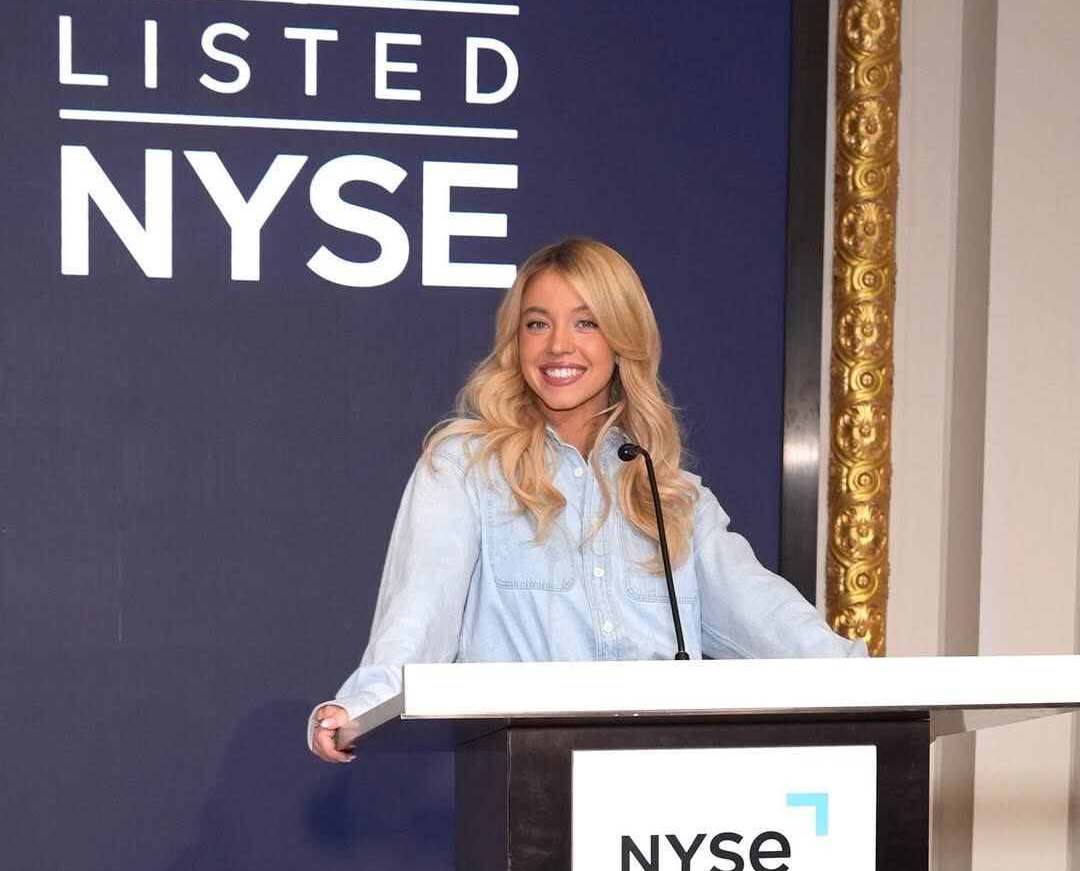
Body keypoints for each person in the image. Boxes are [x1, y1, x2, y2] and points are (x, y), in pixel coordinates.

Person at [310, 238, 865, 763]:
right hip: (527, 782)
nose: (558, 345)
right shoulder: (463, 467)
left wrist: (867, 680)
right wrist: (365, 701)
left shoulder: (671, 493)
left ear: (622, 340)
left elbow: (764, 612)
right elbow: (420, 609)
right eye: (537, 324)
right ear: (516, 342)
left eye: (586, 322)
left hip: (669, 788)